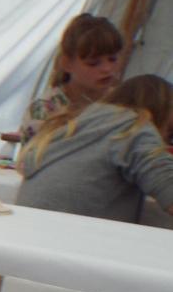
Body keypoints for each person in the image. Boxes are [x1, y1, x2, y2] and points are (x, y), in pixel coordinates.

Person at [17, 74, 173, 223]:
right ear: (163, 112)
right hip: (70, 237)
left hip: (26, 231)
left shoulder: (76, 123)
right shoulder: (133, 127)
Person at [17, 13, 124, 144]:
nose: (107, 68)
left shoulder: (123, 103)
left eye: (113, 59)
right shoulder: (43, 110)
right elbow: (32, 155)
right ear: (67, 63)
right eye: (93, 63)